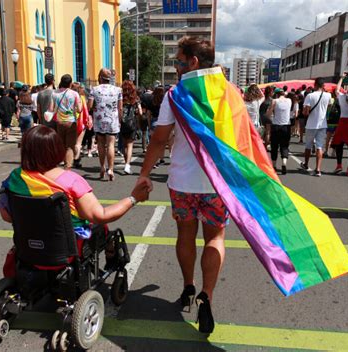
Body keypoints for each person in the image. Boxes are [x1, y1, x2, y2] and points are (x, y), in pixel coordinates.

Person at [136, 36, 229, 334]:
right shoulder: (229, 93)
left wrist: (144, 174)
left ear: (193, 63)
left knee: (185, 235)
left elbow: (160, 140)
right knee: (215, 239)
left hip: (182, 183)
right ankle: (208, 297)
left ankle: (188, 287)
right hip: (217, 185)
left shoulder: (177, 95)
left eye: (177, 61)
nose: (175, 67)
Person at [0, 126, 149, 258]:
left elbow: (7, 216)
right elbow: (100, 216)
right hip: (65, 249)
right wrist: (134, 198)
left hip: (28, 246)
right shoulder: (70, 180)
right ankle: (111, 256)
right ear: (57, 150)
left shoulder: (15, 179)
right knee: (101, 227)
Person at [88, 69, 122, 181]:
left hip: (99, 119)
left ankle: (102, 167)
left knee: (101, 144)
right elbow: (120, 107)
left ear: (101, 77)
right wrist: (120, 120)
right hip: (112, 119)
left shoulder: (94, 89)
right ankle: (111, 169)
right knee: (111, 144)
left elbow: (90, 105)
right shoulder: (118, 90)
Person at [49, 74, 82, 170]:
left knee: (62, 145)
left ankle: (63, 162)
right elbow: (79, 109)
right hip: (71, 122)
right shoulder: (74, 94)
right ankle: (67, 167)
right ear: (70, 83)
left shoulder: (54, 93)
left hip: (59, 122)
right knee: (70, 147)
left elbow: (51, 108)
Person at [300, 77, 332, 177]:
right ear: (323, 86)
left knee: (308, 146)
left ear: (315, 85)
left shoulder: (310, 96)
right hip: (322, 124)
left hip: (311, 124)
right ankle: (318, 169)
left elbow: (306, 112)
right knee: (319, 146)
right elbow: (329, 107)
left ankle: (306, 164)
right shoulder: (328, 95)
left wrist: (304, 111)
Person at [266, 88, 292, 174]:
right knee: (284, 146)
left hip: (276, 126)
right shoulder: (289, 100)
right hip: (286, 126)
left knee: (274, 146)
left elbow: (268, 114)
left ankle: (274, 166)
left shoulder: (274, 101)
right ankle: (284, 163)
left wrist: (269, 113)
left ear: (276, 94)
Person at [120, 80, 142, 175]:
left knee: (124, 145)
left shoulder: (120, 98)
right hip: (132, 123)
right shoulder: (135, 99)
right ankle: (127, 165)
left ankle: (126, 163)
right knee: (130, 145)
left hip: (122, 123)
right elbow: (140, 112)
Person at [71, 82, 90, 169]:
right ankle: (76, 159)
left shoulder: (69, 97)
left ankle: (71, 158)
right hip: (80, 122)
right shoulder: (82, 98)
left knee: (72, 142)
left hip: (70, 121)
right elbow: (85, 110)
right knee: (78, 143)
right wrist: (87, 121)